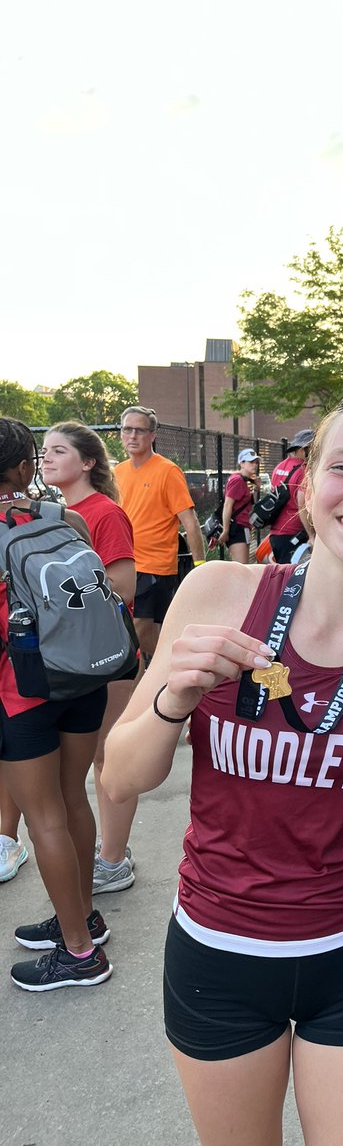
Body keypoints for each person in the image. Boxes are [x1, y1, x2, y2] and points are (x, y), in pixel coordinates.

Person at [103, 397, 343, 1146]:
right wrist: (170, 701)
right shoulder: (220, 591)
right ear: (306, 490)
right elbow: (119, 779)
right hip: (220, 954)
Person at [0, 417, 113, 991]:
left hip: (20, 691)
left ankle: (78, 952)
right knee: (73, 799)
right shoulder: (62, 518)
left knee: (42, 816)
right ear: (23, 468)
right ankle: (83, 915)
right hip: (82, 676)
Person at [39, 422, 140, 896]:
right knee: (80, 764)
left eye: (58, 451)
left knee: (108, 757)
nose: (46, 458)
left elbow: (122, 587)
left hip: (106, 655)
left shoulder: (103, 513)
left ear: (88, 463)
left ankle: (115, 859)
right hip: (70, 659)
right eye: (43, 451)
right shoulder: (49, 513)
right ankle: (102, 853)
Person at [115, 405, 206, 665]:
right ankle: (160, 681)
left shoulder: (167, 471)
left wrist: (199, 567)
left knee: (136, 635)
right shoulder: (117, 472)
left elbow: (190, 521)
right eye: (127, 429)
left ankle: (186, 663)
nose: (132, 436)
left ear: (152, 435)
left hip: (154, 568)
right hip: (124, 566)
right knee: (144, 639)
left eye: (139, 430)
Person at [268, 429, 314, 563]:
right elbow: (302, 505)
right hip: (294, 534)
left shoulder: (279, 467)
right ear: (304, 449)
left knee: (281, 574)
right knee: (294, 578)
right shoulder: (303, 470)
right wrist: (311, 535)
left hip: (275, 533)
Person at [220, 448, 261, 564]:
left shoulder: (245, 480)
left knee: (244, 565)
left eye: (256, 462)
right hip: (237, 528)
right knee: (241, 567)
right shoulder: (237, 480)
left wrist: (256, 488)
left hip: (243, 527)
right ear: (241, 463)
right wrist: (226, 530)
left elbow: (250, 502)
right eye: (251, 462)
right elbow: (228, 505)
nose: (255, 465)